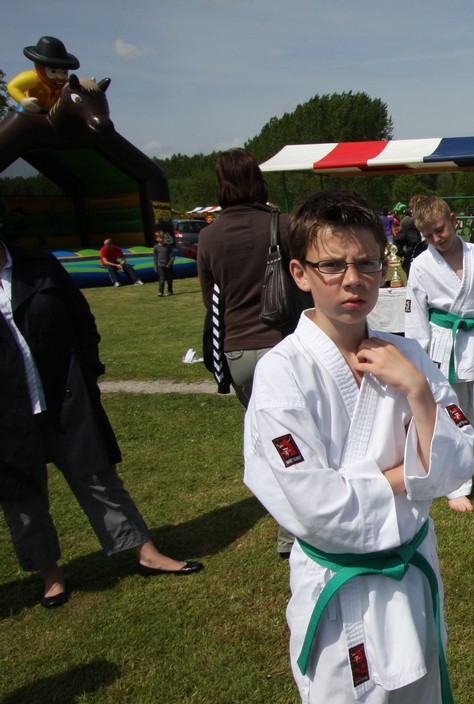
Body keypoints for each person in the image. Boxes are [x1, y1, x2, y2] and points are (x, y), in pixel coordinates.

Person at [242, 189, 474, 704]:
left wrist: (417, 390)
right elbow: (316, 506)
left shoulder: (408, 355)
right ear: (300, 273)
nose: (353, 280)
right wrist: (406, 475)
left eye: (366, 262)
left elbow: (457, 467)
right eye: (332, 265)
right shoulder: (281, 374)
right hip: (339, 585)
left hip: (412, 573)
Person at [1, 213, 203, 610]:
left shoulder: (37, 265)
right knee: (23, 497)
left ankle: (145, 552)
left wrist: (88, 371)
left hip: (64, 393)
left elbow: (81, 319)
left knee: (97, 476)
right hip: (8, 412)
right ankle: (50, 574)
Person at [198, 148, 308, 557]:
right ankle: (293, 530)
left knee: (271, 440)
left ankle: (288, 523)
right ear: (257, 179)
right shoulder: (282, 224)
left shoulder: (209, 237)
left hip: (238, 352)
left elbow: (209, 302)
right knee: (302, 438)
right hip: (284, 341)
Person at [404, 196, 474, 512]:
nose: (436, 238)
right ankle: (457, 484)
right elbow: (416, 317)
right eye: (428, 235)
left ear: (453, 220)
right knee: (453, 413)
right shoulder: (421, 265)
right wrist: (419, 359)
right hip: (445, 346)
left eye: (440, 229)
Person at [7, 36, 79, 113]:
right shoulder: (33, 78)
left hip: (52, 112)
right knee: (18, 117)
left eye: (64, 72)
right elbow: (12, 86)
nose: (60, 77)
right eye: (53, 71)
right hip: (30, 109)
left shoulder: (66, 84)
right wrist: (23, 100)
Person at [152, 230, 176, 297]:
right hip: (160, 265)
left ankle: (170, 291)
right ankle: (160, 292)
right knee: (161, 279)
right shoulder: (156, 247)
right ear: (156, 239)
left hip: (168, 266)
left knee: (169, 279)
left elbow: (173, 256)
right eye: (160, 238)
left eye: (162, 238)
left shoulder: (168, 247)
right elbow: (155, 257)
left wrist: (170, 264)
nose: (161, 239)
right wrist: (155, 266)